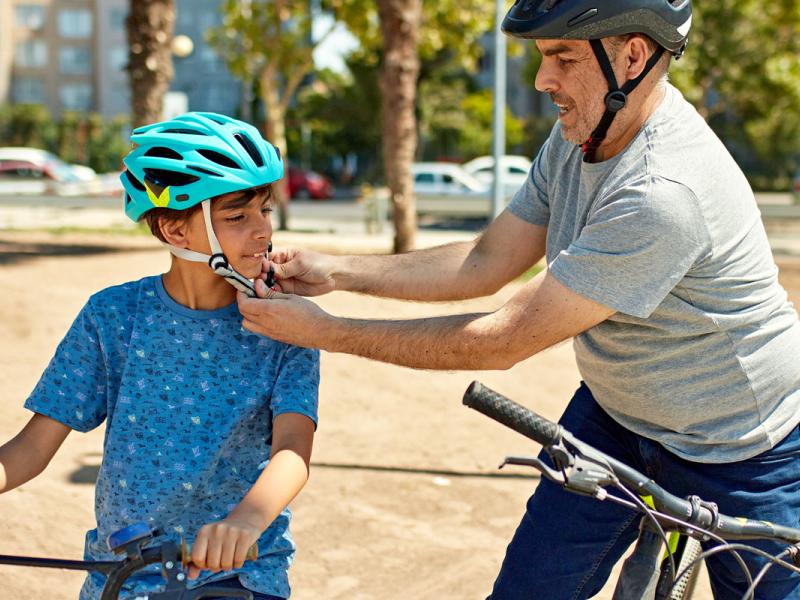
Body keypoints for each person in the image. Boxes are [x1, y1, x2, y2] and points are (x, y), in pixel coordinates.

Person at [237, 1, 800, 598]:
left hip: (743, 446)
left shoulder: (664, 191)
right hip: (617, 416)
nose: (542, 80)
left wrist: (324, 332)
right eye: (541, 58)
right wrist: (339, 270)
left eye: (563, 57)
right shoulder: (580, 134)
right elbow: (486, 262)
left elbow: (504, 338)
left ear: (633, 56)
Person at [0, 112, 320, 600]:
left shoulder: (288, 322)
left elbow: (293, 449)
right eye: (237, 216)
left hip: (239, 576)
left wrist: (245, 522)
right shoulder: (113, 316)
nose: (262, 231)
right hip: (123, 574)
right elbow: (31, 449)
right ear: (175, 230)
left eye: (265, 210)